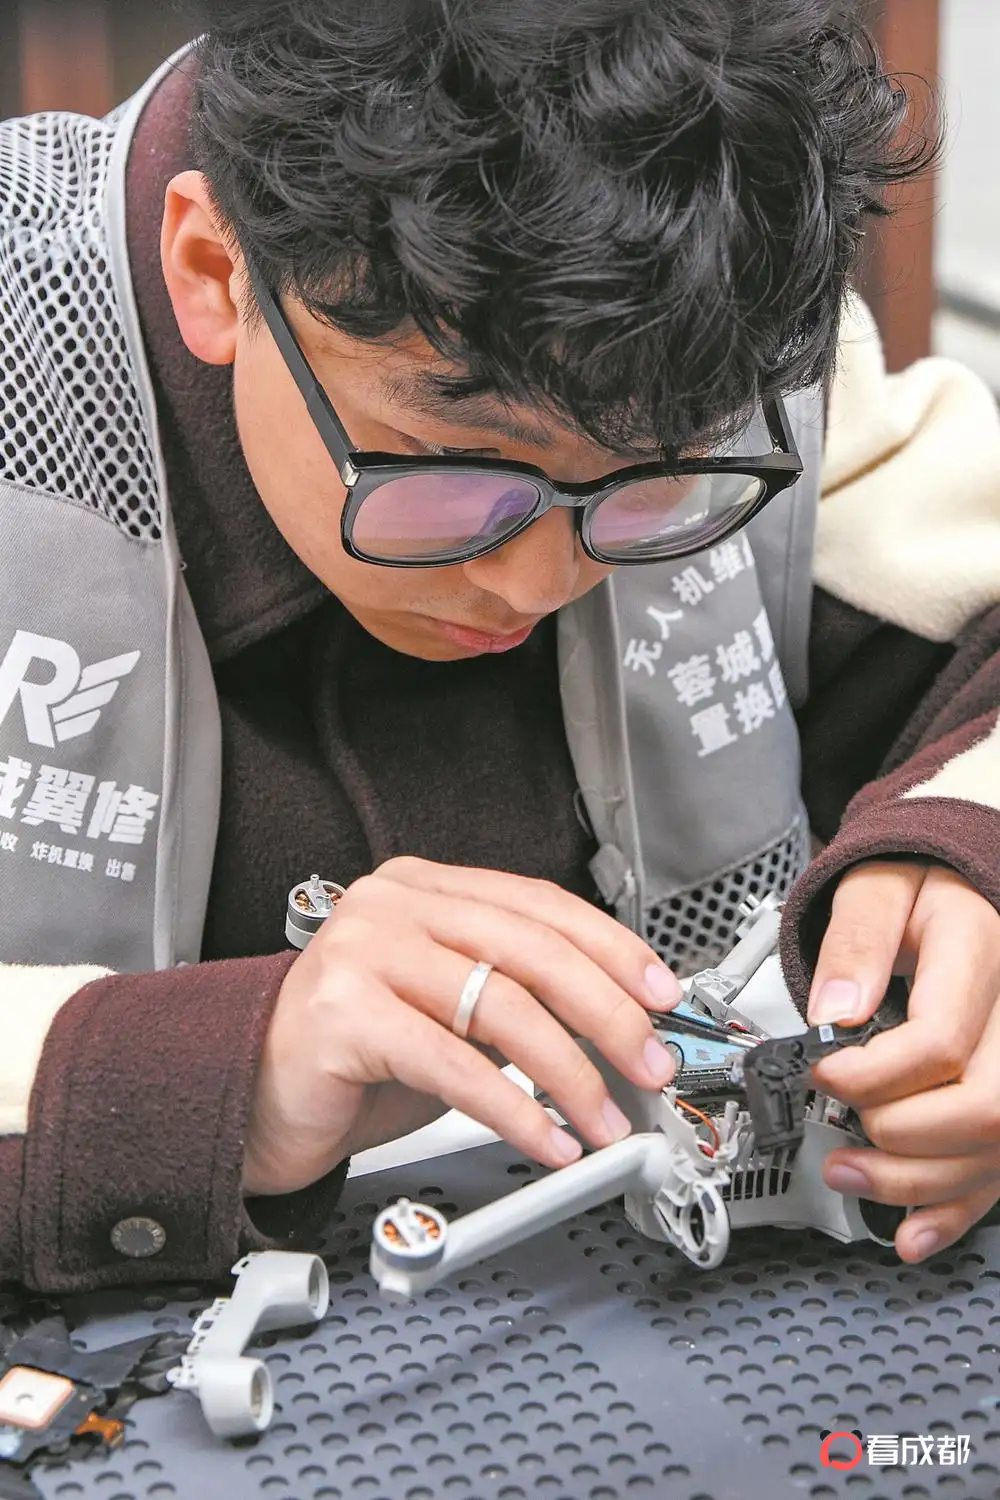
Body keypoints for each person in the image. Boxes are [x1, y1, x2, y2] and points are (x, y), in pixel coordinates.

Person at [1, 0, 1000, 1296]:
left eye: (649, 483)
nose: (536, 582)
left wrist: (967, 860)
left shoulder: (717, 311)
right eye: (452, 477)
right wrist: (218, 1075)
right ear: (212, 271)